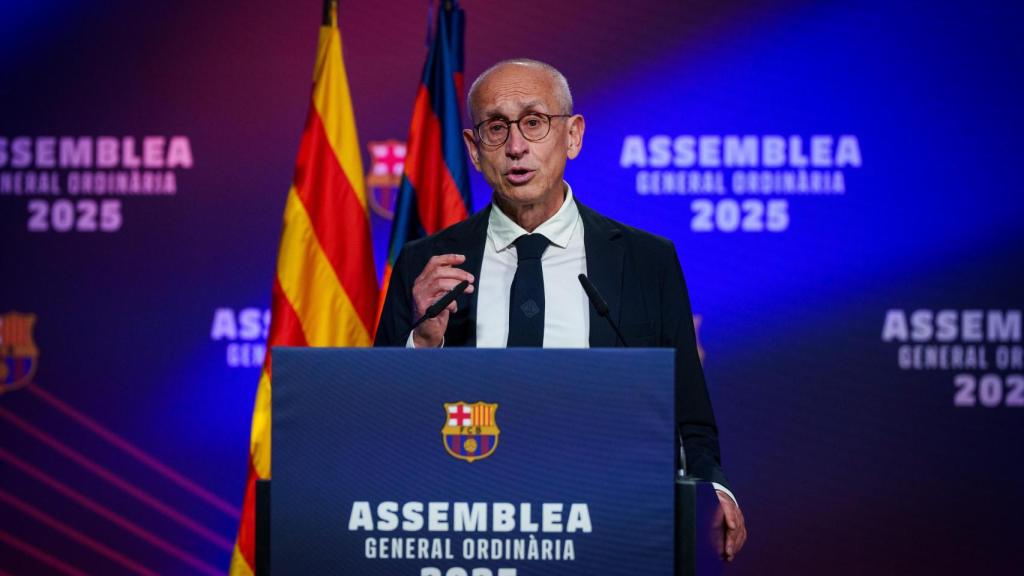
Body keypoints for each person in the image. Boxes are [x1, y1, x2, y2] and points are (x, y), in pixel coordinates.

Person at [375, 58, 746, 561]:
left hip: (608, 526)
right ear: (473, 150)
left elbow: (687, 409)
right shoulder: (427, 264)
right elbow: (377, 418)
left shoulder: (645, 261)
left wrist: (713, 489)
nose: (516, 146)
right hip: (472, 532)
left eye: (534, 121)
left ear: (572, 136)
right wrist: (422, 343)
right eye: (496, 128)